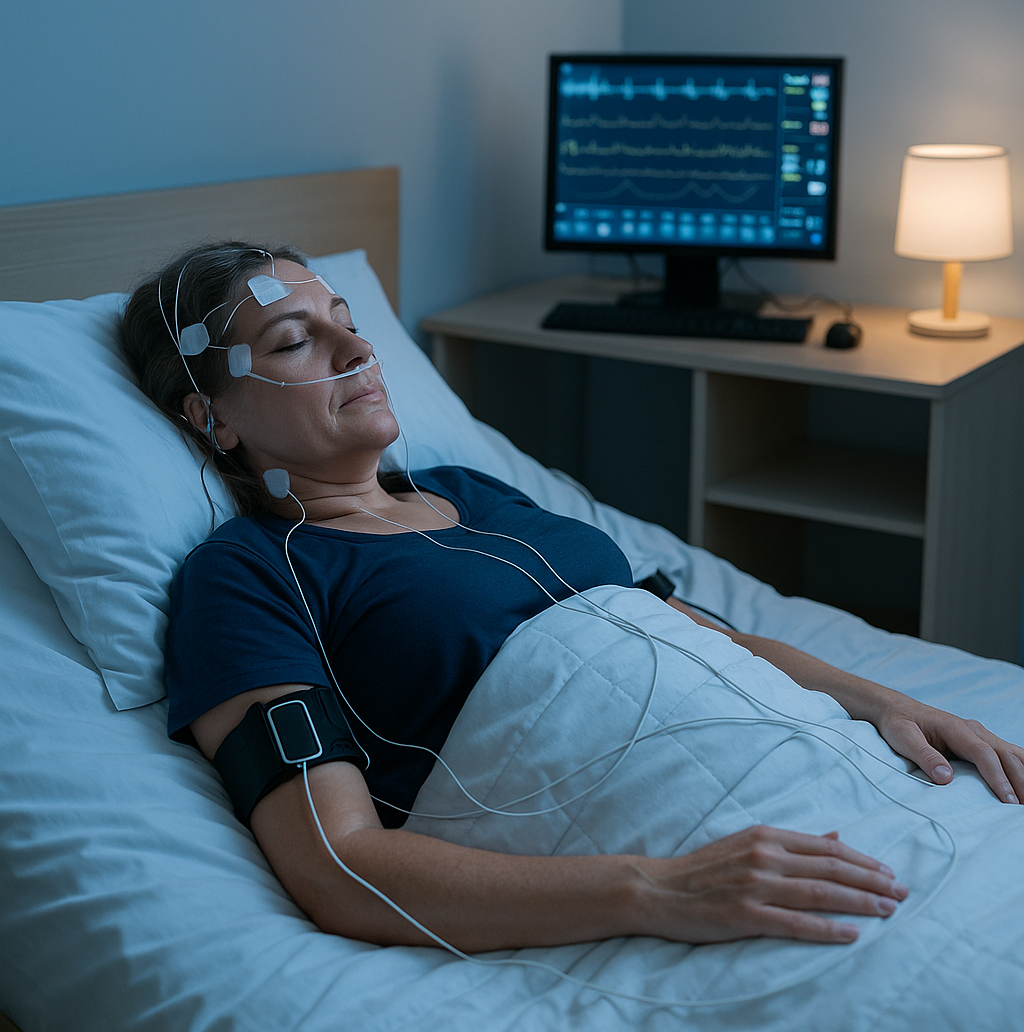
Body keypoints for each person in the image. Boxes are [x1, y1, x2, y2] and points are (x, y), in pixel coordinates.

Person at [121, 242, 1024, 955]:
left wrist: (888, 704)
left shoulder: (470, 489)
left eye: (347, 322)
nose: (359, 349)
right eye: (295, 341)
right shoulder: (246, 576)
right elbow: (337, 864)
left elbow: (684, 631)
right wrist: (660, 888)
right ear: (213, 419)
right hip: (671, 848)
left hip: (821, 770)